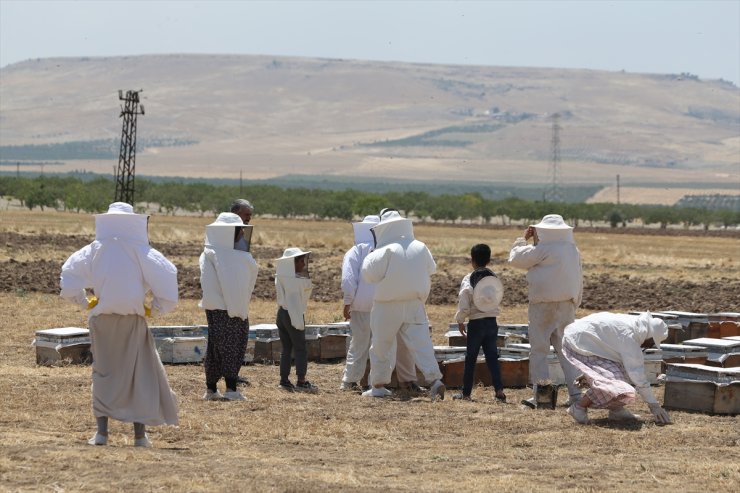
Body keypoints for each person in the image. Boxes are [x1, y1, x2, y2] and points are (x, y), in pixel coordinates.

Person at [60, 202, 179, 447]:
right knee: (139, 374)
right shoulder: (141, 251)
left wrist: (86, 303)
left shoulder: (94, 250)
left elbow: (68, 279)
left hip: (102, 321)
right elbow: (168, 278)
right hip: (133, 320)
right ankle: (140, 437)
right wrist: (154, 309)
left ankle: (102, 434)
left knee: (103, 373)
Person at [360, 210, 445, 400]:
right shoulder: (421, 247)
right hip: (415, 304)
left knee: (381, 345)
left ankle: (379, 386)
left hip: (387, 305)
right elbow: (431, 269)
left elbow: (368, 274)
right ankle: (435, 381)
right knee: (422, 345)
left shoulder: (385, 250)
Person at [339, 215, 423, 394]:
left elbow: (348, 279)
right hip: (385, 304)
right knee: (384, 346)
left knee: (359, 343)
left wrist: (348, 301)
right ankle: (376, 384)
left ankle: (349, 381)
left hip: (361, 305)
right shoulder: (390, 250)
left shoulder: (355, 251)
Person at [508, 214, 583, 408]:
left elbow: (515, 259)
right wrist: (575, 302)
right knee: (567, 351)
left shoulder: (542, 249)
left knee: (539, 351)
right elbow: (579, 278)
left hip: (542, 306)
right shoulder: (573, 250)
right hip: (566, 304)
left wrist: (521, 239)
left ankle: (542, 396)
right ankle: (576, 394)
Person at [561, 312, 672, 425]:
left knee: (622, 374)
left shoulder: (633, 325)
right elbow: (638, 376)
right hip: (578, 342)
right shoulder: (630, 337)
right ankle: (578, 408)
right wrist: (654, 405)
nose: (649, 346)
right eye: (652, 342)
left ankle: (616, 410)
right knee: (613, 384)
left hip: (585, 340)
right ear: (649, 335)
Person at [199, 212, 259, 401]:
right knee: (232, 346)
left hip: (215, 308)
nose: (242, 233)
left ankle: (211, 389)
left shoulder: (208, 252)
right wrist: (238, 309)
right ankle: (231, 390)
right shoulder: (229, 256)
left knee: (215, 347)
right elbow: (236, 285)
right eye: (239, 229)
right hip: (231, 309)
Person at [453, 244, 507, 402]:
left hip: (476, 323)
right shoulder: (493, 277)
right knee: (492, 357)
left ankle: (466, 394)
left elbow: (464, 300)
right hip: (492, 322)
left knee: (471, 358)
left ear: (472, 260)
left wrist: (460, 320)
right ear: (489, 260)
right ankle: (499, 390)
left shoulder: (468, 278)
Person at [275, 247, 318, 393]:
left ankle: (284, 381)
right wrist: (299, 323)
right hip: (293, 314)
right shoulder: (296, 281)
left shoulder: (280, 276)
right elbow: (296, 304)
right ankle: (301, 381)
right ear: (292, 263)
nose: (303, 265)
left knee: (286, 348)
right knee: (300, 348)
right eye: (300, 261)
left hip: (281, 314)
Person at [229, 198, 255, 385]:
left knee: (240, 335)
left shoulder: (242, 234)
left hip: (240, 292)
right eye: (245, 215)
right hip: (227, 294)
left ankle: (233, 373)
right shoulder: (222, 235)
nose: (248, 219)